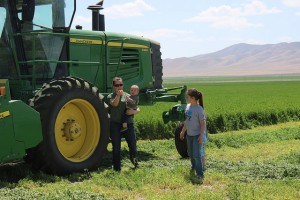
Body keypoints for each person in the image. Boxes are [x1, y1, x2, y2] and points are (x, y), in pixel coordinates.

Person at [107, 77, 140, 171]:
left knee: (132, 144)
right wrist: (118, 96)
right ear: (113, 86)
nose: (119, 87)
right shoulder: (111, 96)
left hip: (128, 123)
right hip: (115, 124)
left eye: (121, 85)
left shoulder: (128, 95)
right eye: (117, 85)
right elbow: (114, 104)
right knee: (116, 147)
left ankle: (135, 163)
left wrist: (134, 112)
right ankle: (117, 168)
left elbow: (137, 107)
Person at [180, 88, 206, 183]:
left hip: (196, 135)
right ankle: (193, 167)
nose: (186, 98)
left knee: (196, 155)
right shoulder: (187, 107)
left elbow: (202, 124)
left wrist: (201, 135)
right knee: (190, 153)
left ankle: (200, 174)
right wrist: (182, 132)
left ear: (193, 98)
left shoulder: (199, 109)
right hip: (189, 135)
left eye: (187, 97)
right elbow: (186, 121)